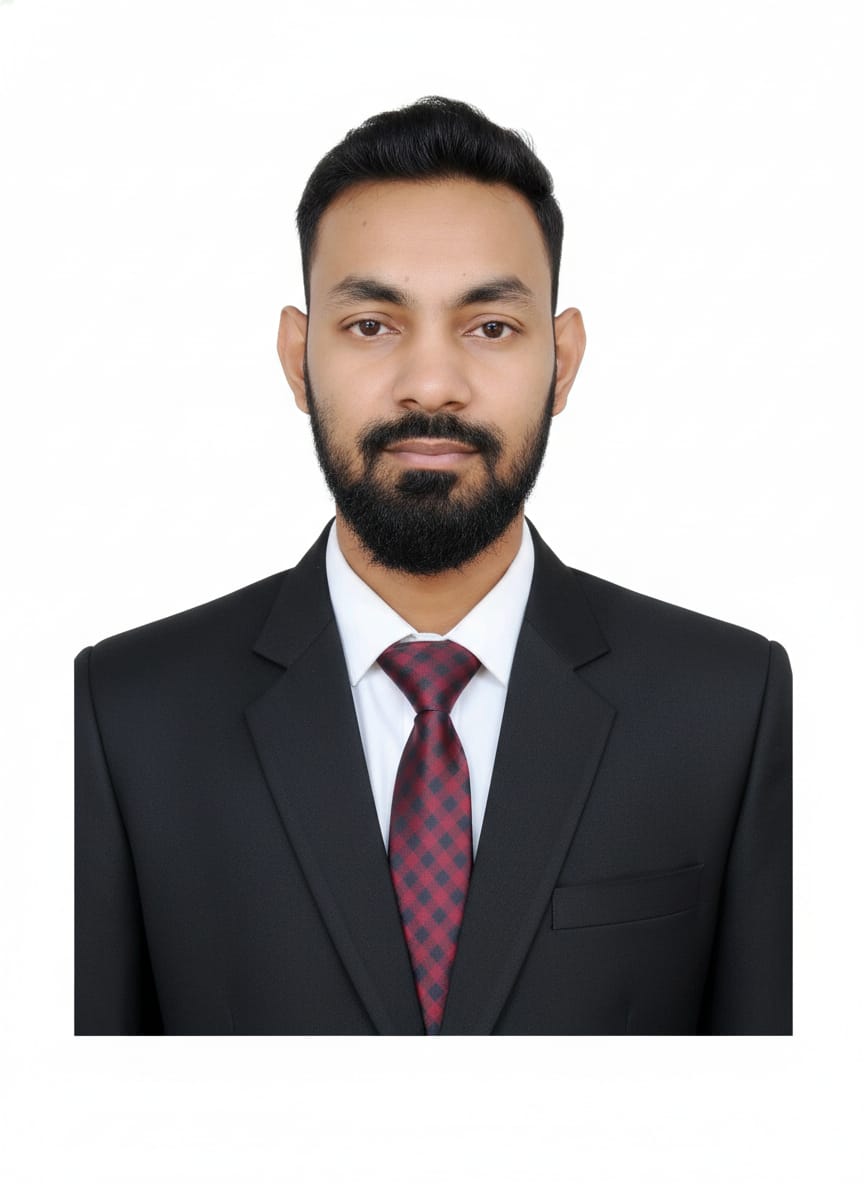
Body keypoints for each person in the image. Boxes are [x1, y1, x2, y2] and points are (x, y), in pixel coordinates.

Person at [75, 96, 792, 1036]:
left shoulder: (730, 707)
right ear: (296, 359)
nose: (431, 384)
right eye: (372, 324)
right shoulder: (126, 715)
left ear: (563, 360)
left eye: (490, 327)